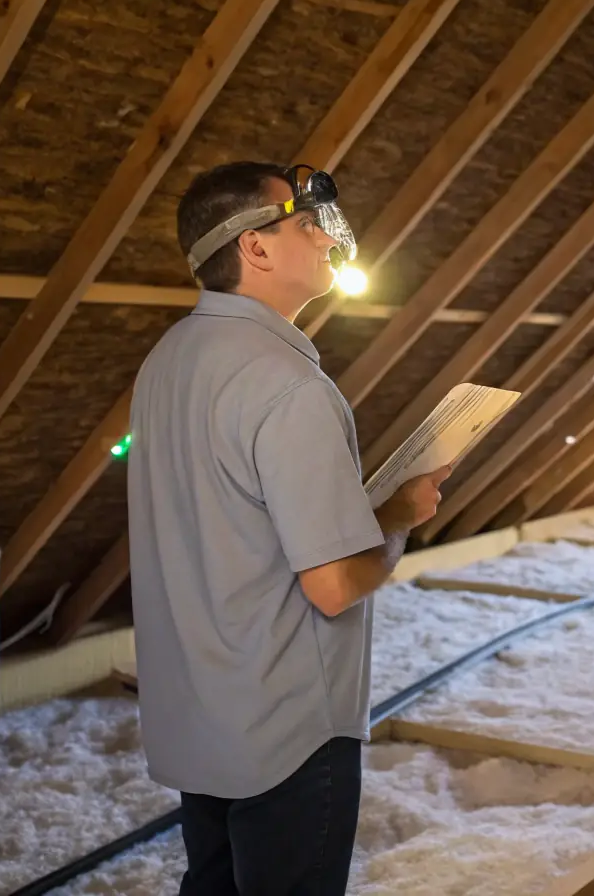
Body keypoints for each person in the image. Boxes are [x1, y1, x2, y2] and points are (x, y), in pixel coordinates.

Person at [126, 161, 449, 896]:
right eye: (308, 224)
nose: (331, 241)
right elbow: (334, 586)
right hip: (288, 729)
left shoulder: (167, 361)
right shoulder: (289, 383)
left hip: (200, 714)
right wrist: (395, 518)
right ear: (255, 249)